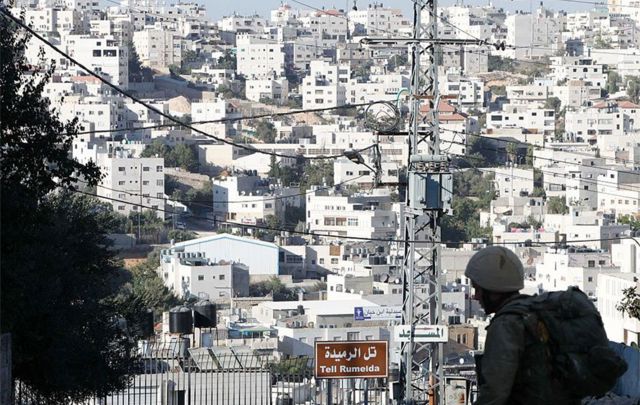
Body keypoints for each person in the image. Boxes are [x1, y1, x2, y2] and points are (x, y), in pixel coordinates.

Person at [465, 246, 580, 405]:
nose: (476, 296)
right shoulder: (535, 312)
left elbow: (495, 393)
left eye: (478, 289)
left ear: (494, 290)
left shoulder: (506, 325)